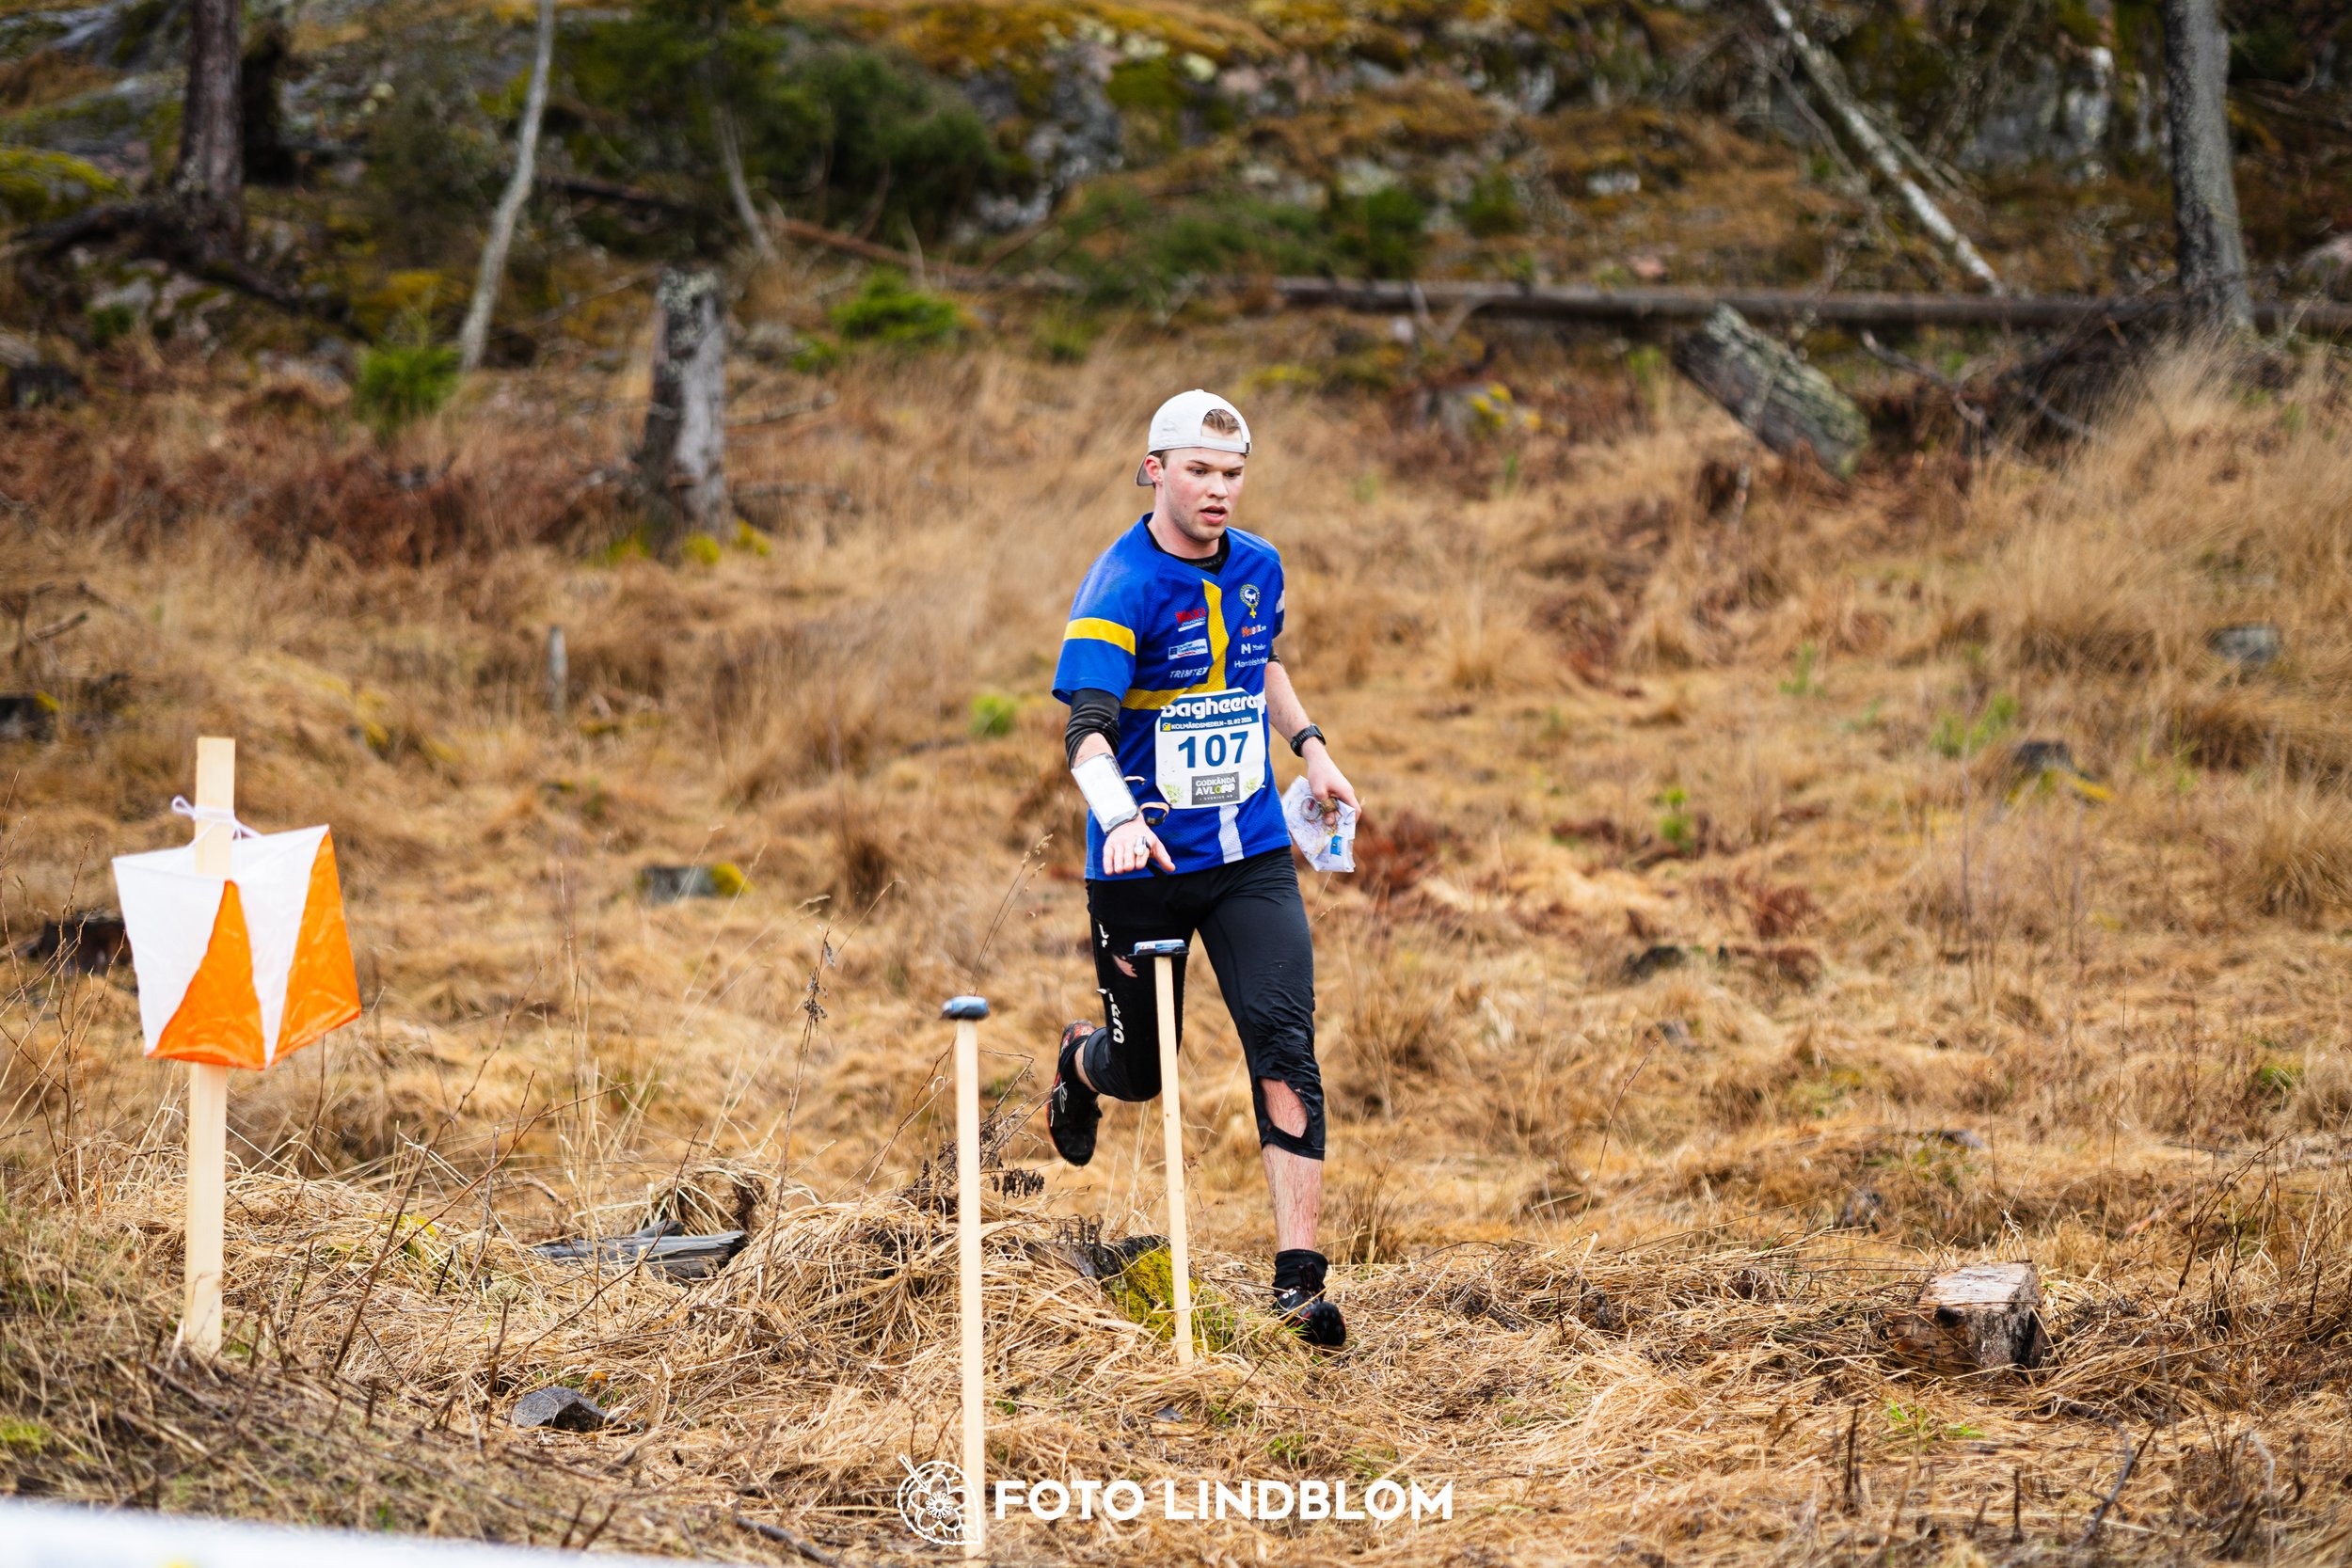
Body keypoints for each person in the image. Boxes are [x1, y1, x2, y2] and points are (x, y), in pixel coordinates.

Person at [1047, 388, 1359, 1348]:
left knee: (1284, 1045)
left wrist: (1310, 745)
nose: (1218, 490)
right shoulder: (1117, 586)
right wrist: (1122, 821)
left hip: (1251, 854)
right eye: (1199, 471)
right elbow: (1084, 733)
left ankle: (1298, 1282)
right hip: (1140, 864)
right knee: (1144, 1069)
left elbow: (1260, 659)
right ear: (1155, 470)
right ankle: (1080, 1064)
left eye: (1231, 474)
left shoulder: (1259, 565)